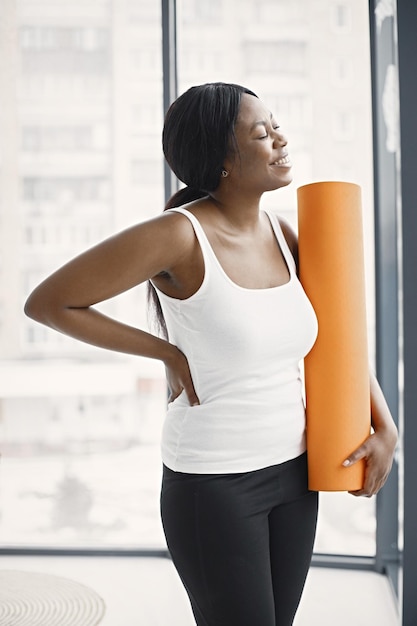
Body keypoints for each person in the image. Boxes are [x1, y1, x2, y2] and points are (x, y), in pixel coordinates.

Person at [24, 82, 398, 626]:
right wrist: (167, 354)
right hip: (215, 486)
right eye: (263, 132)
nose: (281, 139)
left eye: (276, 125)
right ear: (223, 158)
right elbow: (51, 303)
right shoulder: (179, 234)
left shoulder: (283, 233)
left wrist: (384, 424)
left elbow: (339, 336)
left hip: (295, 475)